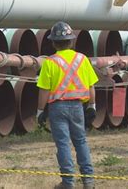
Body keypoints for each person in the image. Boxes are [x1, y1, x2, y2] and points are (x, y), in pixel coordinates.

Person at [36, 21, 98, 189]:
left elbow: (44, 90)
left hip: (57, 109)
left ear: (53, 42)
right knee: (81, 142)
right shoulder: (82, 59)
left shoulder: (50, 62)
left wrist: (40, 111)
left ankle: (68, 183)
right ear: (71, 41)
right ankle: (88, 181)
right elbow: (91, 86)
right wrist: (92, 105)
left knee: (63, 144)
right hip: (78, 107)